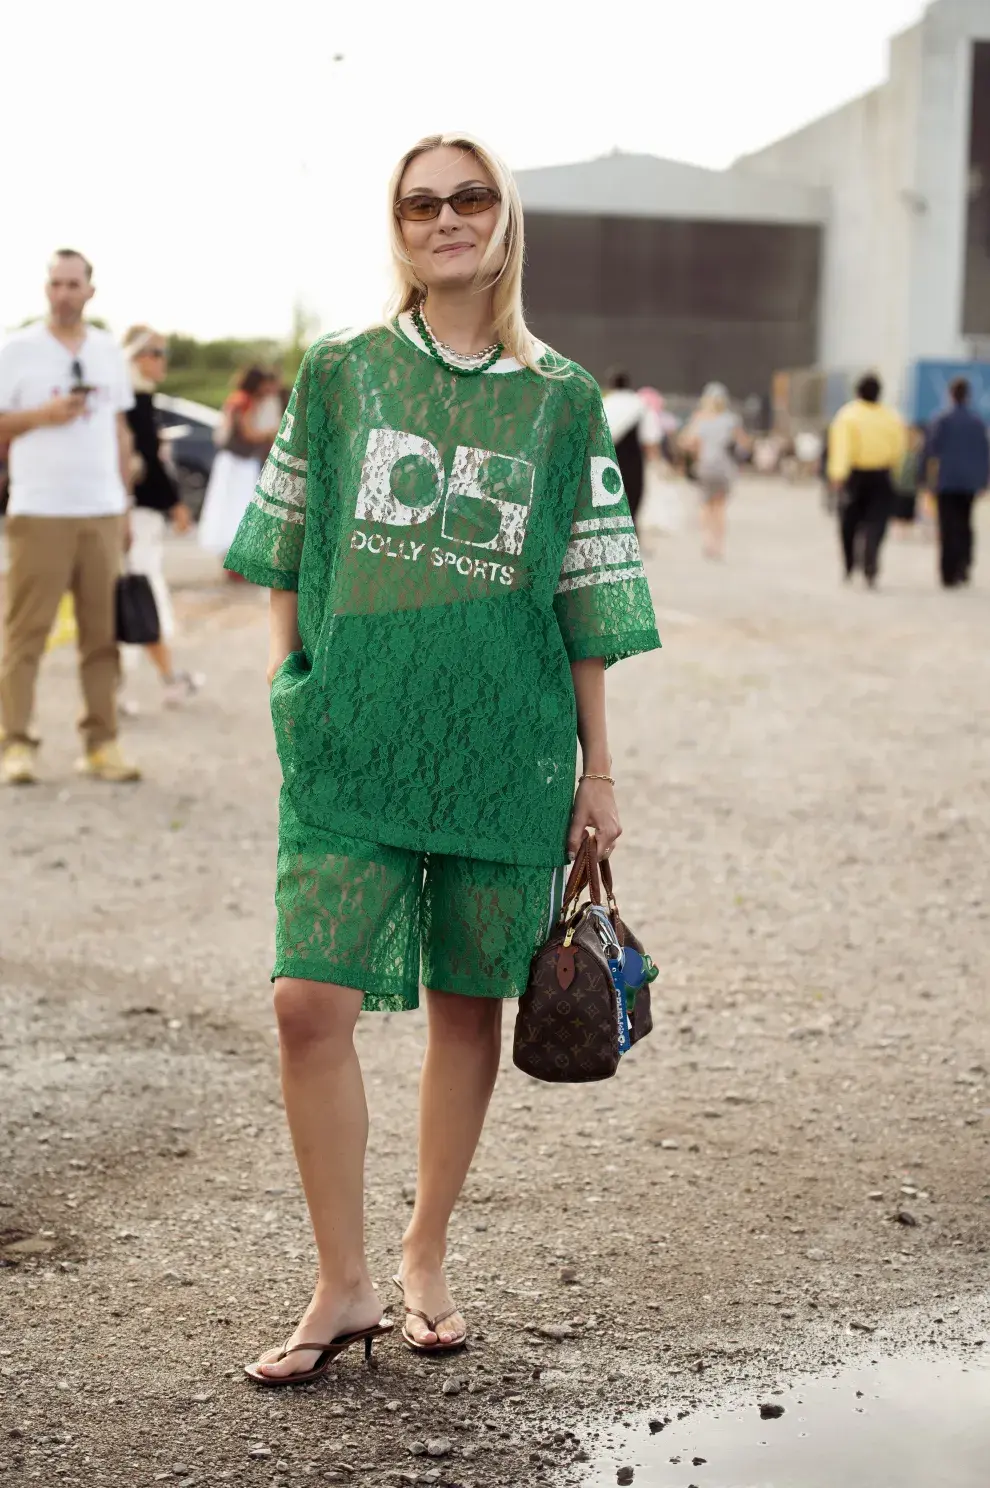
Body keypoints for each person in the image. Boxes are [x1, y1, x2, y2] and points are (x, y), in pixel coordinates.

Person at [229, 132, 661, 1383]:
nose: (446, 217)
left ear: (505, 218)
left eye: (470, 196)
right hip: (351, 733)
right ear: (398, 225)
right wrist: (284, 680)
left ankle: (421, 1254)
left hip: (504, 747)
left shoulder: (562, 397)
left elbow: (587, 589)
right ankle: (340, 1282)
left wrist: (598, 769)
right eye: (421, 202)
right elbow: (287, 532)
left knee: (467, 1006)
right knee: (307, 1004)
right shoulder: (342, 371)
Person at [0, 249, 140, 785]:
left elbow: (121, 432)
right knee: (25, 635)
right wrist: (42, 415)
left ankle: (101, 743)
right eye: (54, 284)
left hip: (101, 511)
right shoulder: (17, 350)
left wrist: (125, 505)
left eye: (72, 284)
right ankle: (16, 743)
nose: (62, 293)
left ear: (90, 291)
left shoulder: (108, 352)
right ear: (46, 290)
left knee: (102, 637)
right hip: (40, 511)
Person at [121, 325, 204, 706]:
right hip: (133, 512)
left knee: (138, 592)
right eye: (158, 353)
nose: (163, 362)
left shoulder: (138, 397)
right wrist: (175, 503)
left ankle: (144, 682)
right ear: (139, 356)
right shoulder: (131, 399)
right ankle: (165, 679)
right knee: (138, 593)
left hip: (138, 512)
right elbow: (146, 462)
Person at [197, 366, 281, 572]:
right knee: (238, 508)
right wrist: (272, 433)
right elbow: (248, 433)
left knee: (230, 508)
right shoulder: (244, 401)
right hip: (239, 463)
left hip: (234, 462)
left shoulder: (237, 398)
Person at [828, 373, 906, 589]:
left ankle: (850, 563)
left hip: (855, 475)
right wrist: (896, 472)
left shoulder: (848, 415)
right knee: (877, 522)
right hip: (882, 475)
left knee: (848, 523)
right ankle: (871, 560)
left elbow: (842, 447)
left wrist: (837, 475)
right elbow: (899, 449)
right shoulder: (891, 417)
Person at [923, 377, 989, 588]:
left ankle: (948, 571)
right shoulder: (977, 422)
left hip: (947, 480)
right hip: (969, 482)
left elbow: (930, 451)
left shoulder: (941, 419)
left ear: (950, 394)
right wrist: (984, 480)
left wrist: (924, 479)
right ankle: (964, 566)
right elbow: (985, 453)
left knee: (947, 525)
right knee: (965, 524)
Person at [680, 382, 742, 560]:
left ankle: (707, 542)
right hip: (724, 468)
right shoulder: (731, 420)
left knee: (705, 506)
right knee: (720, 507)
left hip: (705, 467)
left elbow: (687, 441)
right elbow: (743, 443)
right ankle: (719, 545)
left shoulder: (700, 418)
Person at [601, 370, 660, 530]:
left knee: (609, 501)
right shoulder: (640, 405)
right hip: (634, 461)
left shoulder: (604, 403)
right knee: (632, 501)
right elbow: (651, 437)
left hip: (608, 460)